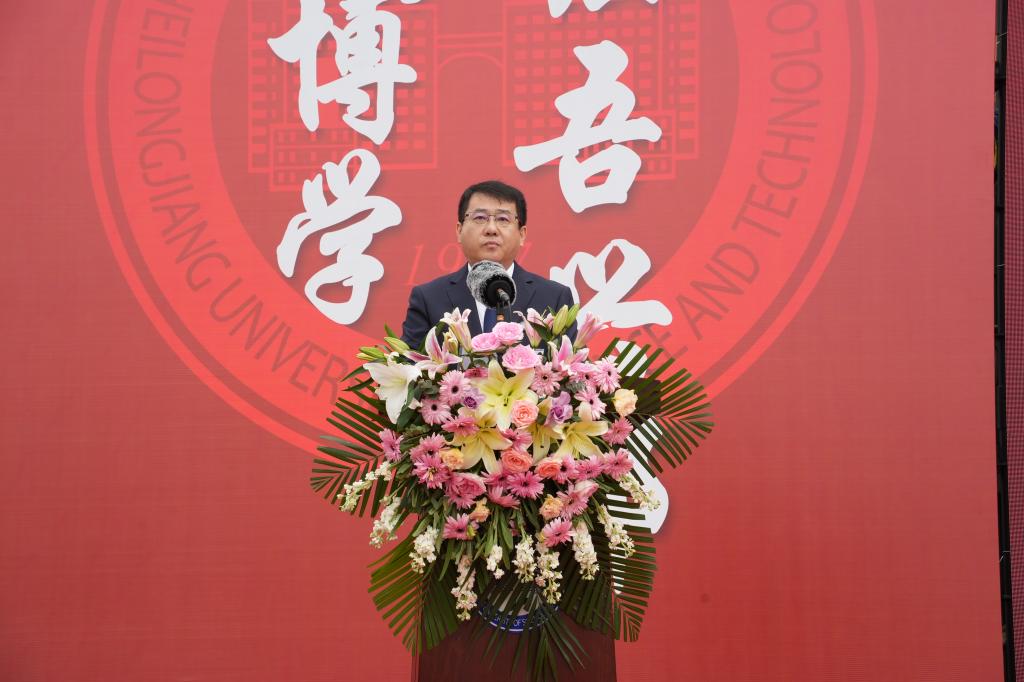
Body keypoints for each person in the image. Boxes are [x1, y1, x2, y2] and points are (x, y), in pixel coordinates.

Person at [400, 180, 576, 349]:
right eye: (480, 218)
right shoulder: (429, 299)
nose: (491, 229)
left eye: (503, 219)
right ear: (459, 231)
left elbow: (569, 365)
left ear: (522, 234)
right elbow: (409, 364)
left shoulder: (555, 298)